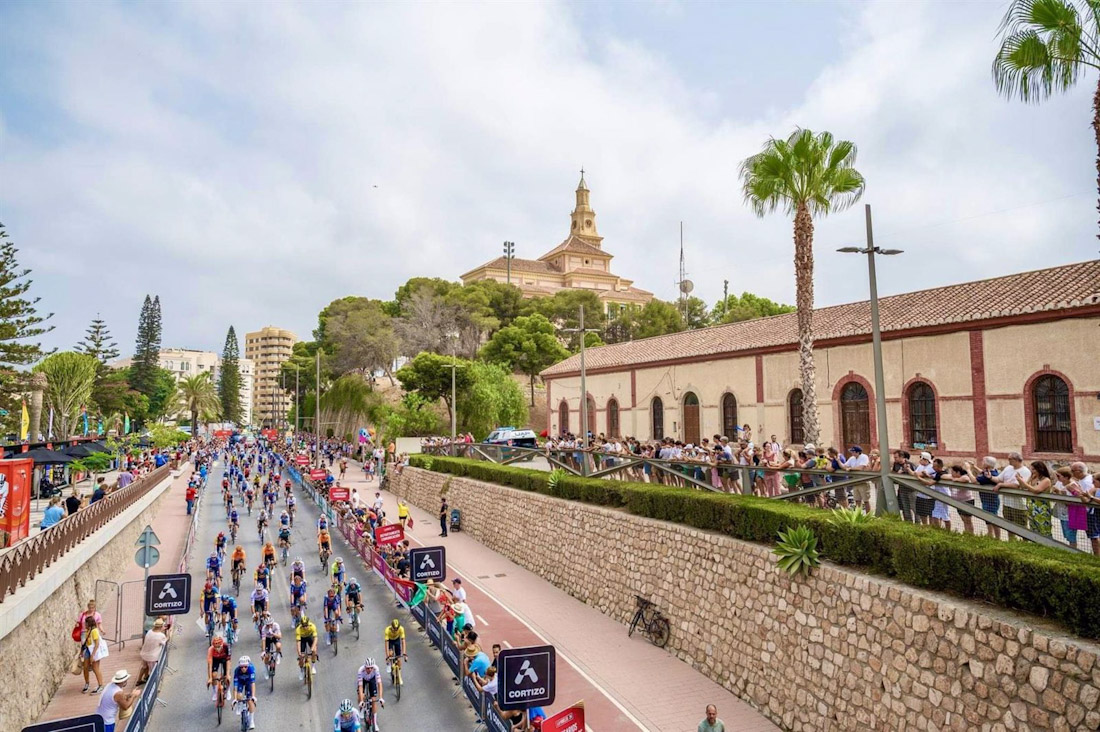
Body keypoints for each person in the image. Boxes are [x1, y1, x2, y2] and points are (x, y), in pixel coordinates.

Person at [137, 618, 168, 685]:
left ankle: (139, 680)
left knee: (144, 667)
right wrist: (168, 635)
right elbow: (164, 642)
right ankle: (153, 684)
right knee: (153, 671)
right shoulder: (161, 635)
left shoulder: (149, 631)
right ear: (161, 627)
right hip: (152, 657)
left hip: (144, 654)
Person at [81, 614, 107, 692]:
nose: (84, 625)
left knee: (95, 668)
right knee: (85, 667)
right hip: (88, 649)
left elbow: (97, 644)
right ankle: (87, 683)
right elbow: (86, 642)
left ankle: (101, 685)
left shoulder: (94, 631)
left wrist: (93, 655)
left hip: (94, 651)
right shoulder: (88, 631)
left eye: (86, 623)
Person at [233, 656, 257, 730]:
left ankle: (251, 720)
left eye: (245, 667)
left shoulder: (251, 669)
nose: (243, 668)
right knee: (239, 696)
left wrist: (253, 696)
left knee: (250, 700)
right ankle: (240, 705)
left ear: (248, 666)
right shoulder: (237, 671)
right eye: (242, 667)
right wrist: (235, 699)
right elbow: (235, 687)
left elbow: (253, 684)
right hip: (240, 681)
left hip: (248, 682)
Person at [356, 656, 384, 723]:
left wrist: (380, 697)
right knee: (361, 695)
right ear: (365, 667)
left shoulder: (376, 669)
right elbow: (360, 686)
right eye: (368, 668)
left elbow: (379, 684)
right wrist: (361, 701)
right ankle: (362, 709)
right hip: (363, 679)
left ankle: (375, 723)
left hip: (372, 679)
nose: (370, 670)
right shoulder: (360, 670)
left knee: (373, 700)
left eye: (371, 668)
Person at [207, 634, 231, 700]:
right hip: (215, 659)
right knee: (214, 675)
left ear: (222, 645)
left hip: (224, 659)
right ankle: (215, 692)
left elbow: (228, 662)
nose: (217, 649)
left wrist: (228, 674)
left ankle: (228, 690)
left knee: (227, 676)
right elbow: (210, 664)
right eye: (215, 647)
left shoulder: (226, 647)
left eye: (219, 647)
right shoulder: (210, 650)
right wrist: (210, 678)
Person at [295, 613, 319, 680]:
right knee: (301, 656)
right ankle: (301, 670)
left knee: (314, 650)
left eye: (306, 625)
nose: (305, 627)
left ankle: (313, 666)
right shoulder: (298, 629)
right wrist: (299, 653)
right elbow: (298, 642)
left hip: (309, 637)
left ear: (308, 624)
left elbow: (315, 638)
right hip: (302, 639)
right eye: (303, 626)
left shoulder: (312, 626)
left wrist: (312, 648)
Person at [260, 613, 282, 677]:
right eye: (268, 625)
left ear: (273, 623)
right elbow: (263, 640)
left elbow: (280, 636)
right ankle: (266, 668)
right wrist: (263, 651)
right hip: (267, 639)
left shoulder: (276, 625)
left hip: (275, 637)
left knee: (278, 646)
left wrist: (273, 634)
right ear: (266, 625)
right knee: (266, 656)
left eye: (271, 625)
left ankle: (277, 655)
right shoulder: (264, 629)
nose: (269, 626)